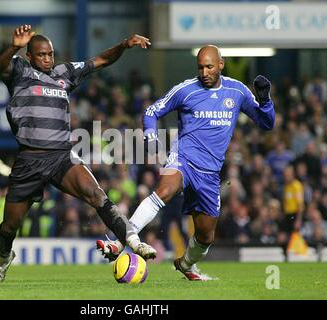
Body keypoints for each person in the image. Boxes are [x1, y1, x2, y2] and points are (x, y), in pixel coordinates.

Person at [0, 24, 156, 283]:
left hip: (61, 156)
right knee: (9, 226)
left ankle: (134, 242)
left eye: (50, 54)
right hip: (29, 159)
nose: (47, 59)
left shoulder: (64, 73)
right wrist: (13, 46)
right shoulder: (19, 71)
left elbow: (100, 60)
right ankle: (3, 258)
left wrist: (124, 44)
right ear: (30, 57)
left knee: (97, 195)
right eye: (42, 55)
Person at [97, 45, 275, 280]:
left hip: (210, 173)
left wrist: (265, 100)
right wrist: (151, 134)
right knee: (164, 190)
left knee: (205, 236)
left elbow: (266, 123)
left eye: (209, 67)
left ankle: (186, 264)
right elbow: (151, 111)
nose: (204, 72)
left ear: (221, 65)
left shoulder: (237, 91)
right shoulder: (186, 90)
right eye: (200, 67)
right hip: (184, 158)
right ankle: (121, 242)